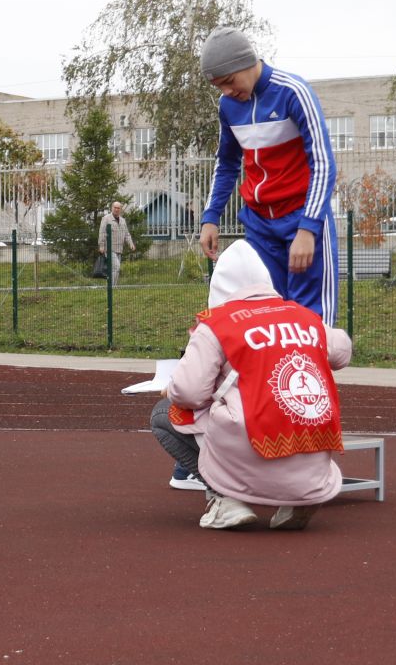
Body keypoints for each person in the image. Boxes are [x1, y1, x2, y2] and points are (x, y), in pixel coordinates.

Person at [155, 240, 353, 531]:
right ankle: (298, 498)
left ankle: (225, 499)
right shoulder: (302, 315)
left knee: (163, 414)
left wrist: (170, 389)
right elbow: (342, 351)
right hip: (312, 450)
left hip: (254, 446)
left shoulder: (217, 324)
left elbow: (189, 393)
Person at [197, 27, 341, 321]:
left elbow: (323, 162)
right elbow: (226, 164)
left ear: (245, 63)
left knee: (311, 320)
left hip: (302, 217)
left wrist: (307, 229)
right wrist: (211, 217)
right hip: (260, 225)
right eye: (219, 87)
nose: (226, 92)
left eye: (229, 81)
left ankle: (313, 368)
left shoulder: (292, 92)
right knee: (266, 315)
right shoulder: (228, 107)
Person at [96, 200, 135, 279]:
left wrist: (131, 244)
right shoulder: (106, 219)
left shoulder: (123, 220)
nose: (116, 209)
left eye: (118, 208)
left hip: (119, 249)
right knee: (116, 267)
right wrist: (101, 246)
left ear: (120, 209)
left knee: (115, 269)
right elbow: (102, 232)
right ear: (111, 208)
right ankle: (112, 287)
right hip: (109, 249)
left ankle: (113, 288)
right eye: (115, 207)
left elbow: (127, 234)